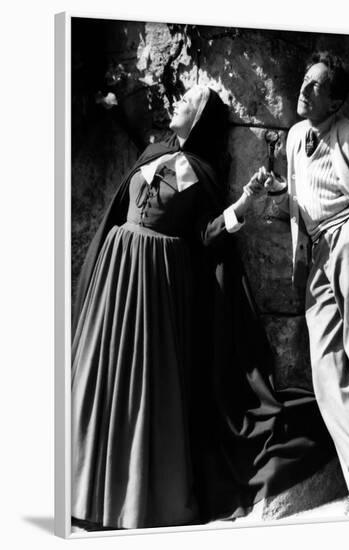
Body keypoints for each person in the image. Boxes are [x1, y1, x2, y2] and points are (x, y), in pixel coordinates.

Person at [71, 84, 334, 531]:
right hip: (115, 279)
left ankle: (131, 500)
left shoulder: (198, 174)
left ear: (199, 118)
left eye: (185, 102)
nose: (176, 104)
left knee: (142, 385)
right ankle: (76, 482)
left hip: (155, 287)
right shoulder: (152, 150)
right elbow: (122, 208)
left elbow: (208, 234)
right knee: (99, 378)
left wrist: (244, 203)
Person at [264, 51, 349, 515]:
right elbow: (301, 190)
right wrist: (277, 192)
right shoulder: (295, 136)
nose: (304, 90)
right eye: (305, 80)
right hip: (316, 252)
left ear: (336, 100)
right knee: (325, 368)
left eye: (316, 86)